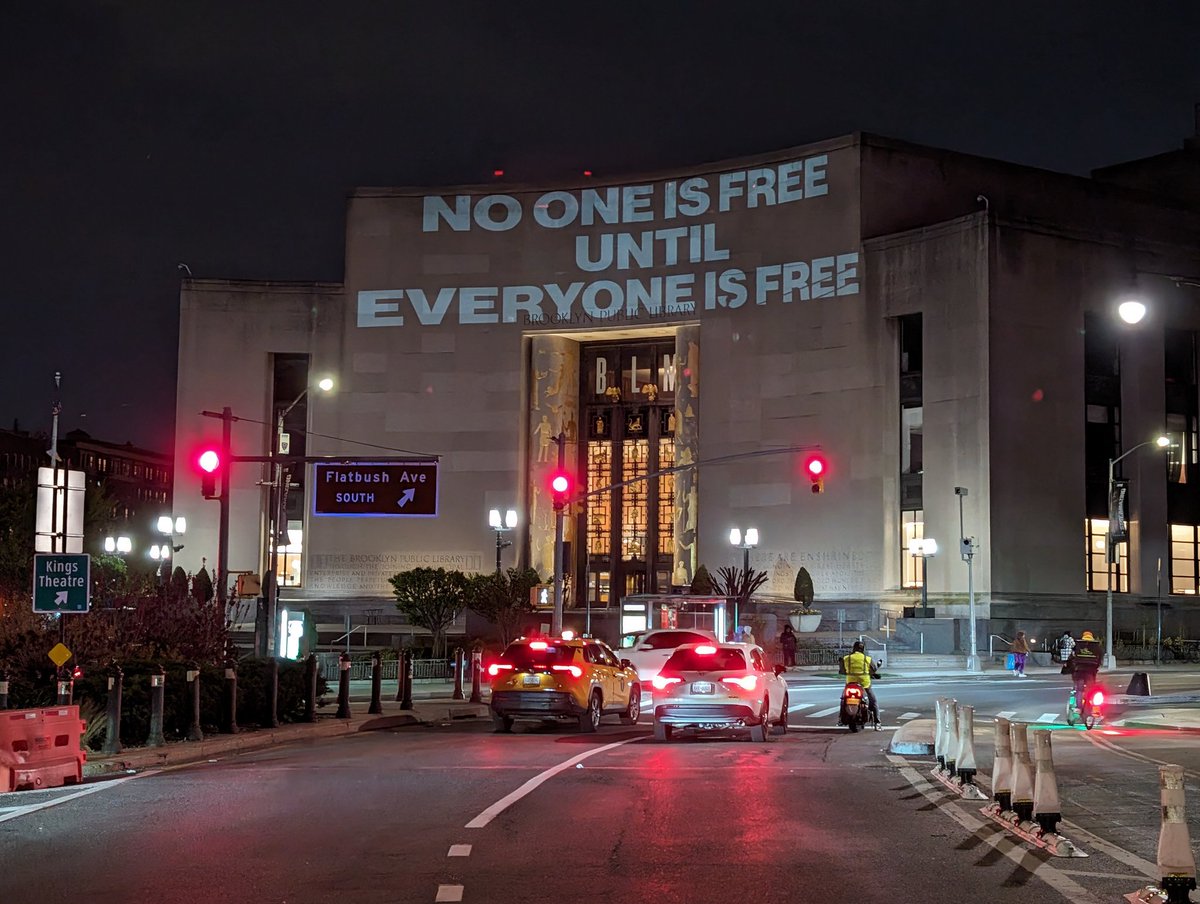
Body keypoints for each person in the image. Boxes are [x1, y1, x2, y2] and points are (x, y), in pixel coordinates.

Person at [841, 640, 881, 730]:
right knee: (873, 701)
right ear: (863, 649)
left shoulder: (847, 658)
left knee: (843, 699)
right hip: (864, 683)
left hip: (850, 683)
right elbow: (874, 669)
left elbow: (842, 671)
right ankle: (877, 723)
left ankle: (841, 719)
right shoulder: (867, 659)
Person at [1067, 630, 1102, 707]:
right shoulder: (1096, 647)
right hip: (1091, 671)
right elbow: (1099, 660)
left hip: (1079, 671)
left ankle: (1079, 707)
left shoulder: (1078, 646)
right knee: (1090, 690)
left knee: (1079, 690)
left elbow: (1071, 658)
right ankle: (1088, 706)